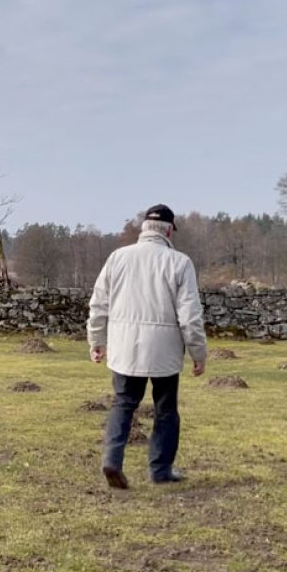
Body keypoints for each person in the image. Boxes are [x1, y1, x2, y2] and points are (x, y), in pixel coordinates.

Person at [87, 204, 207, 489]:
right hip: (164, 351)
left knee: (122, 404)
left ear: (144, 229)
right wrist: (198, 353)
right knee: (166, 410)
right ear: (168, 230)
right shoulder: (180, 262)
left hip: (124, 348)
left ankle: (112, 460)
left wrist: (96, 341)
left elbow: (98, 304)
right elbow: (190, 315)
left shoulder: (118, 258)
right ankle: (160, 470)